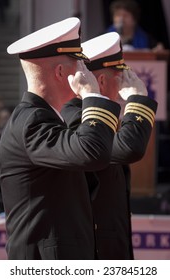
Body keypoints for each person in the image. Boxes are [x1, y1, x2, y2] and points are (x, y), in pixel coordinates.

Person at [0, 17, 121, 260]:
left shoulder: (48, 118)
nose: (86, 72)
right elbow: (92, 153)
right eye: (81, 65)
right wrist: (92, 95)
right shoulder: (32, 122)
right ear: (61, 72)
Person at [61, 32, 158, 259]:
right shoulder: (75, 117)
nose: (123, 87)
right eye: (120, 78)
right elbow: (128, 148)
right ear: (102, 81)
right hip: (92, 252)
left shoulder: (95, 116)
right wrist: (137, 99)